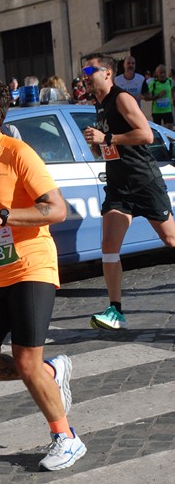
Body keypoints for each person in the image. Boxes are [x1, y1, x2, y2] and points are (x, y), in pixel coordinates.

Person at [0, 73, 86, 471]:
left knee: (24, 362)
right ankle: (49, 372)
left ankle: (66, 436)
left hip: (32, 266)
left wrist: (3, 215)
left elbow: (56, 209)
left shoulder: (17, 154)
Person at [82, 53, 175, 330]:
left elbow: (146, 135)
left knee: (171, 239)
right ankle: (115, 310)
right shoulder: (99, 105)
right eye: (83, 71)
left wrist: (107, 138)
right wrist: (98, 147)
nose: (85, 75)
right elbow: (112, 147)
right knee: (109, 247)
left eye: (90, 70)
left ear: (108, 73)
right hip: (118, 186)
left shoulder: (122, 98)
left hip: (143, 181)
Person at [146, 64, 174, 129]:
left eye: (164, 72)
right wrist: (158, 96)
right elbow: (147, 98)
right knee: (158, 132)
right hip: (157, 111)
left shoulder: (169, 81)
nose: (163, 74)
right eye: (161, 73)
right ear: (157, 73)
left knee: (169, 129)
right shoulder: (153, 83)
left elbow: (172, 90)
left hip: (167, 110)